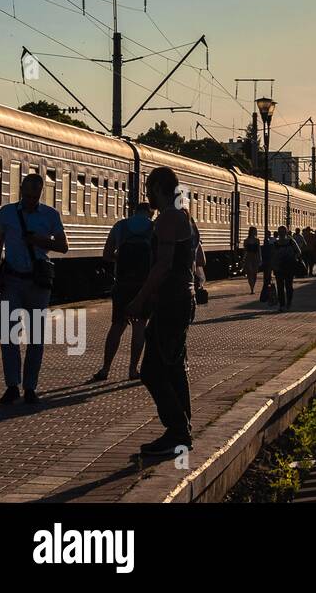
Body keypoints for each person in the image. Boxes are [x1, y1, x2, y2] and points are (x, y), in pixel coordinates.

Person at [128, 166, 195, 456]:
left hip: (172, 301)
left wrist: (139, 298)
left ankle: (178, 431)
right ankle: (181, 430)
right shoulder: (184, 216)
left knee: (152, 372)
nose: (146, 194)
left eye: (148, 188)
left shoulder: (168, 217)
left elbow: (164, 264)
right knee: (173, 366)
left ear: (157, 187)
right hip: (180, 299)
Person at [0, 173, 69, 405]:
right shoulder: (7, 212)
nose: (31, 198)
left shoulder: (50, 215)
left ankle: (30, 387)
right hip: (12, 279)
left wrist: (43, 241)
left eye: (35, 195)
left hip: (38, 283)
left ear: (41, 192)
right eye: (28, 194)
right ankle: (12, 385)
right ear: (21, 190)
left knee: (36, 338)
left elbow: (64, 246)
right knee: (9, 336)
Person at [93, 202, 154, 382]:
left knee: (117, 326)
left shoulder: (120, 226)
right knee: (139, 326)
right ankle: (133, 369)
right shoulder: (154, 228)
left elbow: (106, 254)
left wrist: (120, 259)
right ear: (151, 213)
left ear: (134, 211)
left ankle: (105, 368)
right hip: (143, 285)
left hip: (122, 284)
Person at [271, 226, 302, 312]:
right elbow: (273, 255)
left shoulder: (291, 241)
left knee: (288, 286)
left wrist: (293, 258)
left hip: (289, 266)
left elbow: (299, 252)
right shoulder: (275, 243)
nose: (281, 233)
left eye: (283, 231)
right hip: (279, 267)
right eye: (280, 232)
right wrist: (273, 266)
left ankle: (288, 302)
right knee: (280, 287)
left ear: (286, 232)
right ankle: (282, 305)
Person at [241, 227, 260, 294]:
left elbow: (259, 250)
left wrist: (260, 258)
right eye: (254, 231)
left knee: (254, 273)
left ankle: (253, 286)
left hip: (255, 257)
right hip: (248, 257)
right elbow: (245, 250)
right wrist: (243, 258)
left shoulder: (257, 240)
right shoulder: (246, 240)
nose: (255, 232)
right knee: (249, 273)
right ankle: (251, 288)